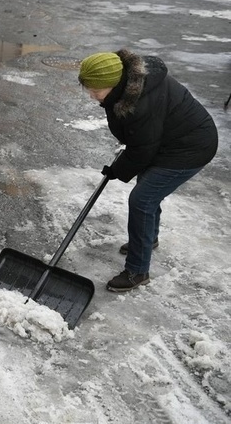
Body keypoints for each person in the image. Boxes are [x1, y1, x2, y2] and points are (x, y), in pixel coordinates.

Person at [78, 50, 218, 292]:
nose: (92, 96)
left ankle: (137, 271)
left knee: (143, 198)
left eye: (96, 90)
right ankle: (148, 239)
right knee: (147, 189)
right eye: (88, 89)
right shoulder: (127, 87)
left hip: (190, 148)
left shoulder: (139, 104)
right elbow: (141, 143)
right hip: (169, 141)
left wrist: (117, 170)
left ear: (114, 83)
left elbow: (142, 149)